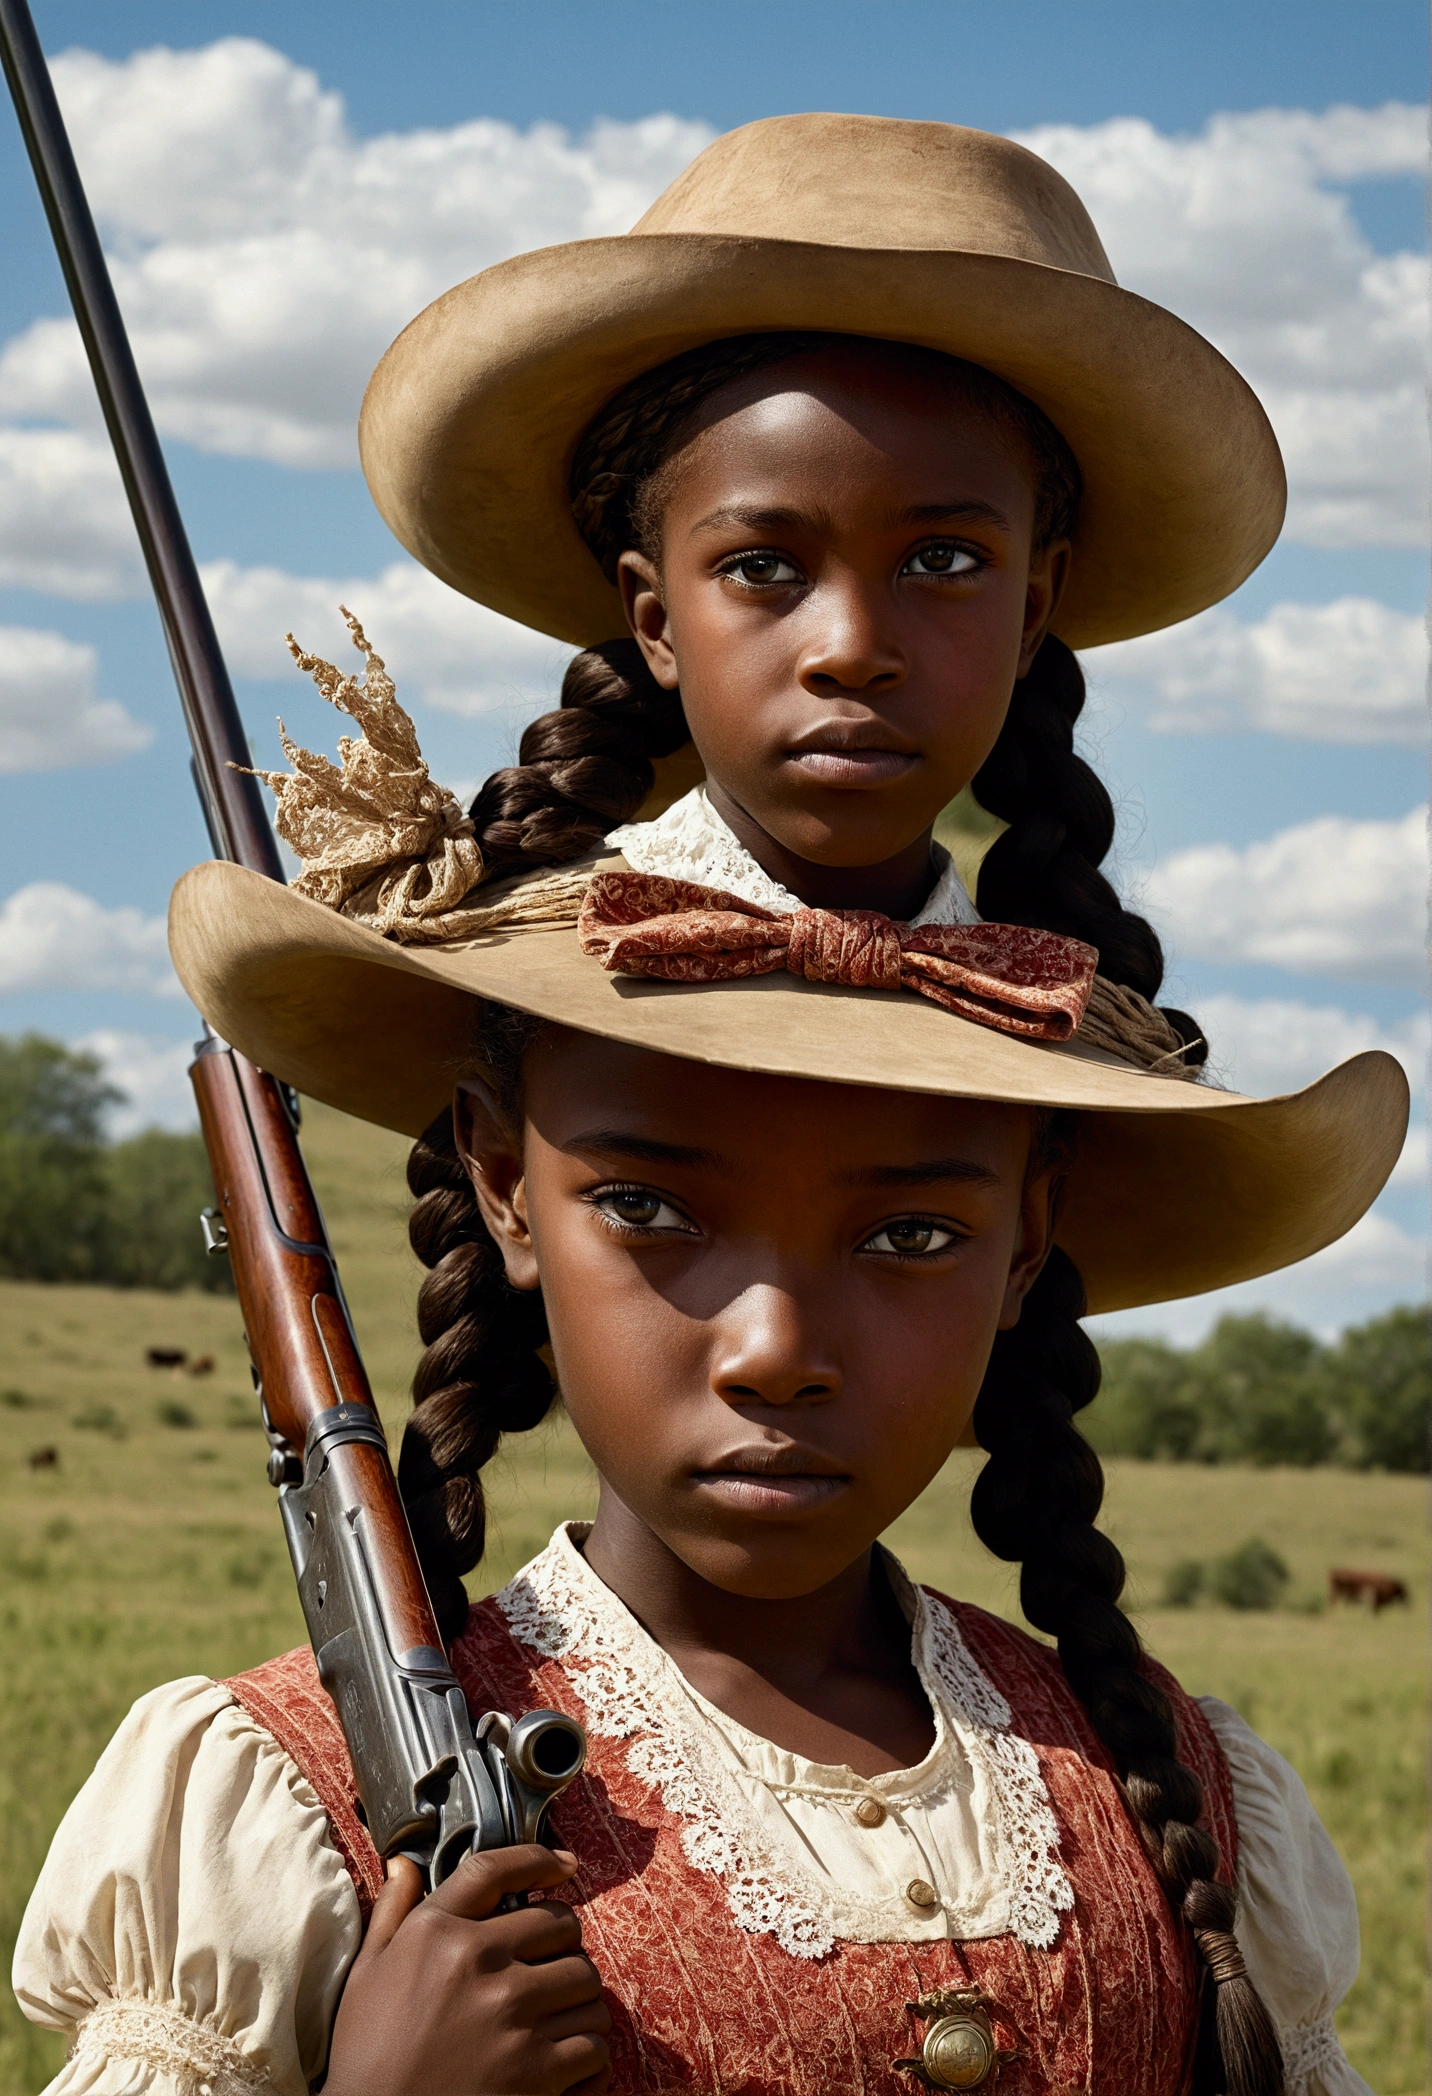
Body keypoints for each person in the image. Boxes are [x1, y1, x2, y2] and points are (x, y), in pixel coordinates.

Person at [12, 116, 1403, 2096]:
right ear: (501, 1187)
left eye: (910, 1234)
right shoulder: (290, 1824)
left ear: (1029, 1243)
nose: (772, 1346)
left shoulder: (1176, 1810)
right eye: (654, 1213)